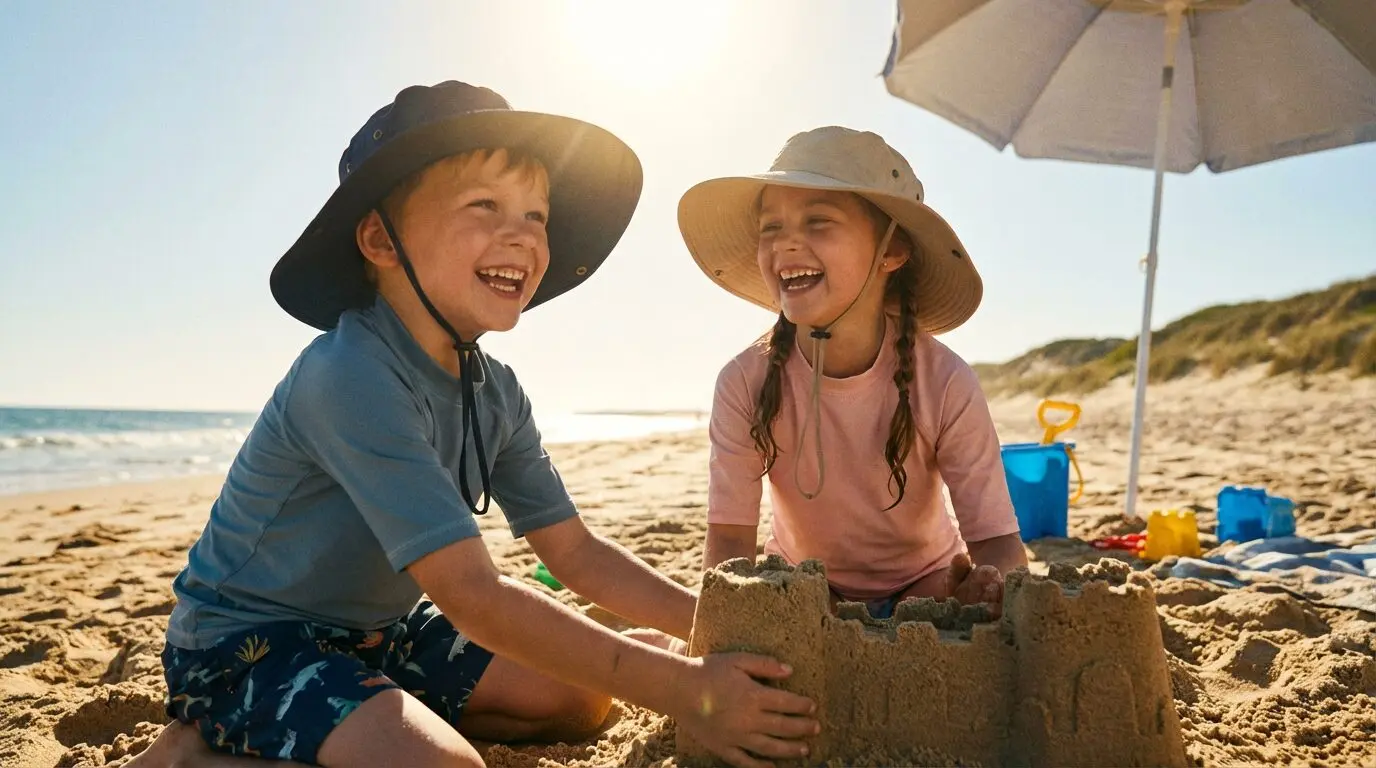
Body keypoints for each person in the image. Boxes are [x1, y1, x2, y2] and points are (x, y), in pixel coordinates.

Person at [133, 81, 817, 768]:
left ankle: (357, 710)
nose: (521, 233)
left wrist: (713, 632)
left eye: (536, 215)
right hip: (248, 644)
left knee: (583, 701)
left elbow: (575, 555)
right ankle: (196, 752)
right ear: (380, 239)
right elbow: (472, 595)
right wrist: (686, 687)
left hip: (382, 632)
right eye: (484, 206)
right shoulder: (349, 374)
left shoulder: (496, 390)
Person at [678, 126, 1028, 621]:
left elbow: (996, 541)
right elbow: (731, 539)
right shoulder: (743, 382)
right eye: (770, 227)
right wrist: (730, 624)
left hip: (929, 582)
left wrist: (993, 591)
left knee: (943, 605)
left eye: (818, 220)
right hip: (804, 586)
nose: (786, 244)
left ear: (891, 251)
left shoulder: (946, 381)